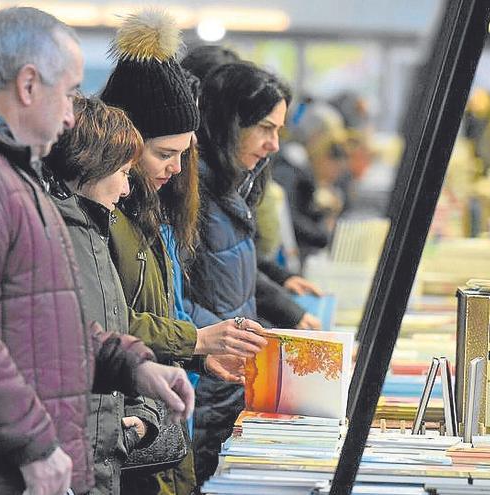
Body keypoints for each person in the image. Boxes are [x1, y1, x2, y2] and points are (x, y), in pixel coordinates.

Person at [0, 8, 194, 495]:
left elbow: (36, 321)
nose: (71, 116)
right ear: (27, 85)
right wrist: (33, 444)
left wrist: (131, 364)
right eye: (67, 93)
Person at [100, 11, 268, 495]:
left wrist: (195, 354)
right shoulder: (105, 216)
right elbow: (108, 321)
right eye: (164, 153)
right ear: (126, 143)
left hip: (158, 425)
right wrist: (194, 340)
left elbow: (155, 310)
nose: (176, 168)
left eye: (183, 154)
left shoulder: (153, 213)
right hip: (129, 434)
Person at [44, 96, 160, 494]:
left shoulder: (96, 236)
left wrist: (141, 419)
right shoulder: (53, 237)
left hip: (101, 461)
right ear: (91, 163)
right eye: (124, 172)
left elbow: (114, 336)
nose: (127, 189)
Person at [186, 62, 293, 485]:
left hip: (223, 386)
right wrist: (214, 338)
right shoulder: (190, 192)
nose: (274, 145)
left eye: (279, 130)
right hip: (198, 386)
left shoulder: (233, 187)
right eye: (266, 128)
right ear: (231, 123)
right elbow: (166, 298)